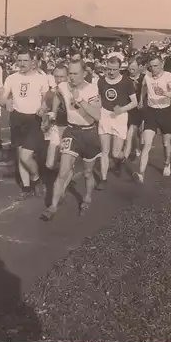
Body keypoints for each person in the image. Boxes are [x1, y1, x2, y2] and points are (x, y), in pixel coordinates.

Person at [40, 60, 102, 221]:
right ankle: (52, 206)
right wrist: (53, 112)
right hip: (72, 131)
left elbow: (97, 115)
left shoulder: (91, 89)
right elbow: (58, 95)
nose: (72, 77)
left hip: (89, 134)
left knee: (88, 173)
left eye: (75, 74)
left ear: (84, 74)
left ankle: (87, 199)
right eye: (70, 74)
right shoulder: (63, 86)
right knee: (63, 171)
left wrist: (80, 101)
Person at [1, 48, 48, 200]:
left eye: (25, 60)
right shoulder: (11, 78)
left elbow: (47, 98)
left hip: (33, 119)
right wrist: (6, 102)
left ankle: (36, 179)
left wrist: (43, 108)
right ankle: (26, 188)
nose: (22, 63)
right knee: (20, 155)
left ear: (32, 61)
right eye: (19, 60)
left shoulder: (41, 78)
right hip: (16, 118)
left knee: (26, 156)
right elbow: (3, 98)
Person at [133, 55, 171, 183]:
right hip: (151, 113)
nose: (153, 69)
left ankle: (166, 163)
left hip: (165, 112)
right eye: (151, 66)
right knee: (147, 144)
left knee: (165, 143)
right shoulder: (147, 76)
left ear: (162, 64)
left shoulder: (168, 76)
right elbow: (143, 87)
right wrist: (141, 100)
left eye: (156, 66)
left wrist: (164, 92)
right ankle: (141, 173)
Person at [96, 56, 138, 189]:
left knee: (115, 153)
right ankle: (103, 179)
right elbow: (98, 98)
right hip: (105, 115)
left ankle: (121, 158)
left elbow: (134, 102)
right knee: (104, 151)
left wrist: (121, 109)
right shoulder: (101, 81)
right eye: (108, 69)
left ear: (120, 68)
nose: (111, 72)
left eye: (114, 70)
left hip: (120, 117)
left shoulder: (126, 82)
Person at [122, 56, 146, 161]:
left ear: (140, 67)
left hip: (140, 109)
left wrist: (142, 101)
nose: (131, 71)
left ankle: (136, 148)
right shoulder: (125, 77)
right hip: (128, 107)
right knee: (130, 130)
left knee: (137, 131)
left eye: (133, 69)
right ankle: (128, 153)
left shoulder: (144, 78)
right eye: (129, 68)